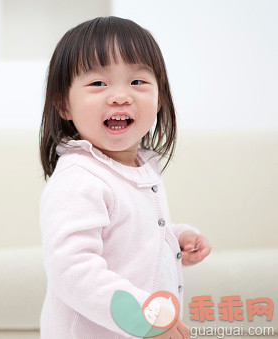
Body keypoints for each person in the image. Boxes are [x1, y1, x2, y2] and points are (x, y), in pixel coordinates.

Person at [38, 16, 211, 338]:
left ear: (159, 99)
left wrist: (176, 236)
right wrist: (147, 320)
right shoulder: (80, 179)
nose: (121, 96)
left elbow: (126, 231)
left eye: (137, 82)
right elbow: (74, 271)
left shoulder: (135, 169)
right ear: (64, 104)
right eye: (98, 83)